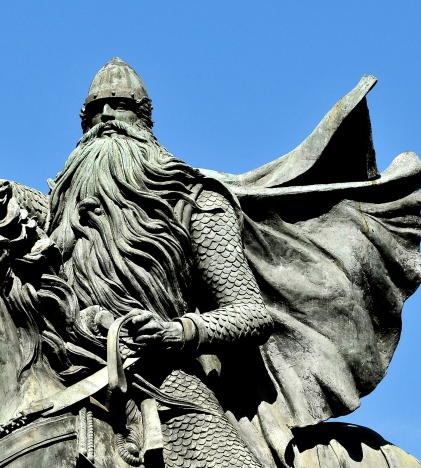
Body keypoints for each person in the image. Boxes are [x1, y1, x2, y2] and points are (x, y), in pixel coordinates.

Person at [48, 57, 273, 467]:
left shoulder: (197, 201)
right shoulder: (54, 211)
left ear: (143, 121)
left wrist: (175, 332)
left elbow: (251, 313)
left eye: (119, 107)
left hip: (167, 382)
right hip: (63, 376)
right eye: (95, 112)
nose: (106, 118)